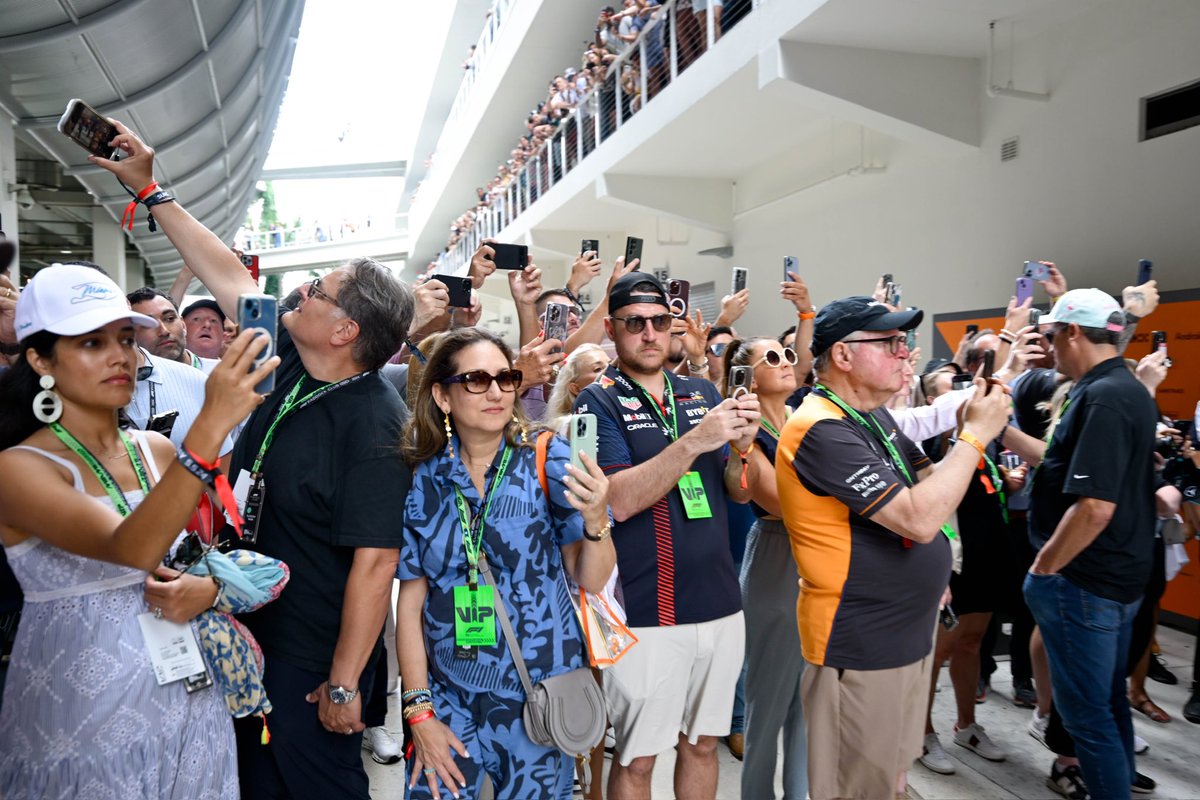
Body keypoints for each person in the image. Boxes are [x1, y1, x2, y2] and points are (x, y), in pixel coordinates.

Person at [89, 119, 415, 800]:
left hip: (311, 663)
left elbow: (376, 563)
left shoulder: (376, 422)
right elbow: (228, 272)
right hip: (244, 627)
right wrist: (150, 188)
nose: (300, 295)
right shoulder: (295, 361)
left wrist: (346, 681)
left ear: (346, 330)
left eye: (319, 292)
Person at [0, 262, 276, 798]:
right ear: (39, 359)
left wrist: (208, 588)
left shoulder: (157, 450)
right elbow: (129, 546)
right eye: (90, 343)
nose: (119, 356)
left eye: (126, 338)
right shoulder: (19, 467)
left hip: (188, 696)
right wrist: (210, 427)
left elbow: (178, 558)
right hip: (80, 713)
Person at [775, 295, 1011, 800]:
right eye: (889, 343)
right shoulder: (820, 428)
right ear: (842, 355)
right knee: (857, 787)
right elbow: (918, 516)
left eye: (904, 343)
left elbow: (927, 479)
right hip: (859, 640)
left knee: (891, 778)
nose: (905, 354)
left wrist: (942, 565)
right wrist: (974, 438)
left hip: (905, 630)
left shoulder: (870, 416)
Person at [396, 328, 616, 799]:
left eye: (506, 377)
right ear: (442, 395)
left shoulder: (546, 458)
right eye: (476, 379)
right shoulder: (422, 478)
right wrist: (419, 712)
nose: (496, 390)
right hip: (449, 695)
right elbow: (409, 606)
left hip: (537, 695)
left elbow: (591, 578)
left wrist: (597, 519)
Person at [573, 272, 759, 800]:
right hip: (646, 610)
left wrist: (743, 450)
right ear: (612, 329)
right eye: (636, 323)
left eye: (660, 322)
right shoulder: (598, 400)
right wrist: (696, 440)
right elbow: (617, 499)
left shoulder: (700, 391)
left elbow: (737, 494)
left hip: (721, 601)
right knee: (637, 759)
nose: (651, 333)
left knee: (702, 745)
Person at [1025, 288, 1158, 800]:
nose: (1051, 347)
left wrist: (1043, 568)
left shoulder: (1104, 396)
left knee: (1088, 716)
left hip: (1086, 581)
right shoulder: (1122, 388)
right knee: (1107, 702)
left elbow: (1096, 506)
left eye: (1053, 336)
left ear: (1074, 332)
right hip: (1117, 579)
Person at [722, 337, 808, 799]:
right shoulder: (747, 432)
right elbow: (780, 502)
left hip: (820, 555)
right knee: (768, 700)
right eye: (772, 357)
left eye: (789, 355)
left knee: (809, 702)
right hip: (778, 554)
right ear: (748, 377)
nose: (786, 363)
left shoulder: (802, 419)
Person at [128, 286, 218, 371]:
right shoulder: (130, 385)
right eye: (149, 324)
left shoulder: (222, 373)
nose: (164, 331)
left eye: (170, 319)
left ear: (183, 324)